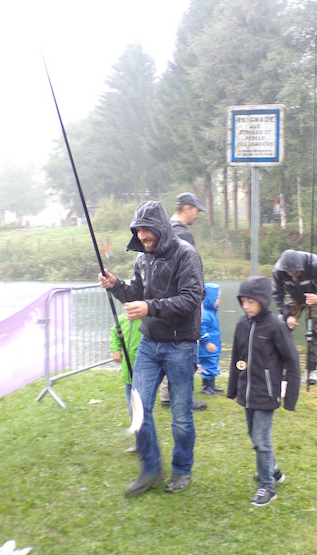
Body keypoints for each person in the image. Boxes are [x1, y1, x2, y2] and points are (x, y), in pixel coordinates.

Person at [98, 200, 204, 497]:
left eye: (147, 233)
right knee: (138, 406)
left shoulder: (186, 254)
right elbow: (136, 293)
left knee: (181, 415)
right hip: (149, 343)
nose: (142, 238)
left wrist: (150, 307)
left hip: (181, 345)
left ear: (161, 229)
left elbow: (191, 299)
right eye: (138, 233)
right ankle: (151, 468)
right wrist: (116, 285)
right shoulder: (143, 258)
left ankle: (182, 470)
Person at [227, 276, 300, 507]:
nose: (246, 306)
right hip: (247, 392)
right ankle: (273, 469)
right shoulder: (242, 324)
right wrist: (233, 389)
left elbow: (292, 360)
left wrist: (290, 397)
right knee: (254, 435)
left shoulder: (275, 326)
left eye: (251, 302)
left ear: (263, 300)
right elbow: (237, 357)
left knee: (260, 440)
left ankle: (267, 486)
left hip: (266, 393)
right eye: (243, 302)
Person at [159, 191, 208, 410]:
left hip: (164, 300)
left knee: (168, 343)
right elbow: (191, 270)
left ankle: (166, 394)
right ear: (186, 208)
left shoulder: (162, 230)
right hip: (184, 299)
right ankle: (182, 397)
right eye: (197, 210)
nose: (198, 214)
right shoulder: (183, 235)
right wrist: (198, 294)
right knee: (186, 346)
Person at [272, 249, 317, 384]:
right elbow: (277, 294)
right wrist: (287, 316)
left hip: (315, 297)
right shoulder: (278, 270)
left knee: (314, 331)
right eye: (288, 271)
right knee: (282, 327)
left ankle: (311, 370)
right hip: (293, 296)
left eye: (294, 271)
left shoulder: (315, 265)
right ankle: (283, 368)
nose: (291, 274)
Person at [110, 313, 141, 455]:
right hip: (128, 376)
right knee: (132, 409)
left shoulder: (147, 320)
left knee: (141, 409)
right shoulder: (122, 319)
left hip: (143, 374)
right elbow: (114, 333)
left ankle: (145, 441)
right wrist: (116, 349)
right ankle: (141, 441)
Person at [199, 282, 223, 395]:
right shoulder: (205, 314)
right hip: (207, 347)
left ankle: (212, 385)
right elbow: (201, 330)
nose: (218, 301)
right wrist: (207, 342)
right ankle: (206, 386)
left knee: (213, 365)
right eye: (216, 298)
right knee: (208, 366)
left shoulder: (212, 313)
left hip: (214, 346)